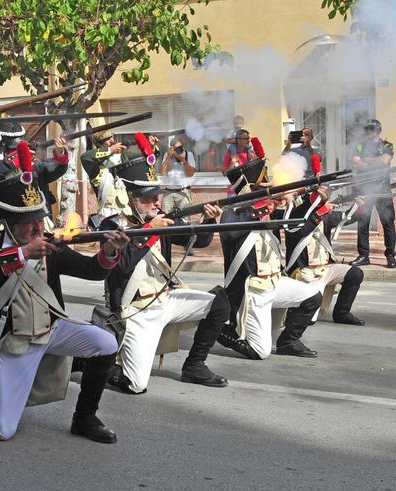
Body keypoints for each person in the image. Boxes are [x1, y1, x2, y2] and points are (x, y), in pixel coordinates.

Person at [0, 143, 129, 442]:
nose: (38, 227)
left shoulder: (49, 244)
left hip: (52, 329)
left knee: (105, 342)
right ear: (10, 224)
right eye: (30, 224)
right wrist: (23, 254)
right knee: (2, 430)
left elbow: (93, 271)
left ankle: (85, 418)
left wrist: (109, 251)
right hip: (14, 340)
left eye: (39, 219)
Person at [99, 147, 232, 394]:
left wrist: (208, 220)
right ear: (130, 199)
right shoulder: (110, 226)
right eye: (149, 198)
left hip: (167, 298)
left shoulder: (160, 218)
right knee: (136, 385)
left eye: (157, 196)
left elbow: (200, 242)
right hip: (136, 310)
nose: (157, 202)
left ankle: (194, 365)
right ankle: (99, 366)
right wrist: (150, 230)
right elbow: (123, 264)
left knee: (220, 303)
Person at [215, 160, 324, 360]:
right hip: (252, 290)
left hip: (274, 282)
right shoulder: (233, 213)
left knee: (313, 297)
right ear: (248, 191)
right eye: (261, 190)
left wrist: (312, 199)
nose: (269, 194)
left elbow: (297, 224)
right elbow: (230, 232)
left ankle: (288, 341)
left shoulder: (269, 211)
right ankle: (218, 328)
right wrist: (261, 208)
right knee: (260, 352)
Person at [0, 121, 69, 227]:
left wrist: (60, 154)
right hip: (10, 219)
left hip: (37, 216)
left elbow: (55, 170)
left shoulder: (33, 163)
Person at [283, 189, 365, 326]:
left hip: (325, 268)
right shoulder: (294, 215)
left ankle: (342, 313)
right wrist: (319, 213)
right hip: (304, 272)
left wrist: (359, 206)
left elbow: (346, 217)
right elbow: (300, 232)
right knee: (309, 320)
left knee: (355, 274)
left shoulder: (325, 214)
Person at [80, 130, 158, 225]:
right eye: (107, 139)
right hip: (108, 211)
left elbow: (143, 159)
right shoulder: (94, 163)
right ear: (99, 143)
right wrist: (110, 151)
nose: (112, 141)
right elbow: (85, 157)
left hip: (126, 209)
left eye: (112, 138)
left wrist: (151, 148)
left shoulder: (122, 156)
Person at [350, 118, 396, 268]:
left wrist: (367, 161)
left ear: (379, 130)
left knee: (388, 223)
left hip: (383, 190)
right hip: (365, 189)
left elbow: (385, 162)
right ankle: (363, 255)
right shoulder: (359, 146)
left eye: (373, 129)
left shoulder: (387, 145)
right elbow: (356, 162)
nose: (370, 133)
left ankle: (390, 256)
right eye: (367, 130)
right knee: (363, 223)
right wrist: (374, 163)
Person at [222, 129, 265, 196]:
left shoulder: (249, 152)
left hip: (249, 190)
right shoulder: (229, 153)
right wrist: (232, 162)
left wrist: (255, 159)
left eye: (248, 138)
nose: (248, 140)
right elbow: (224, 173)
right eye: (245, 138)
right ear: (238, 140)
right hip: (234, 192)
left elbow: (259, 167)